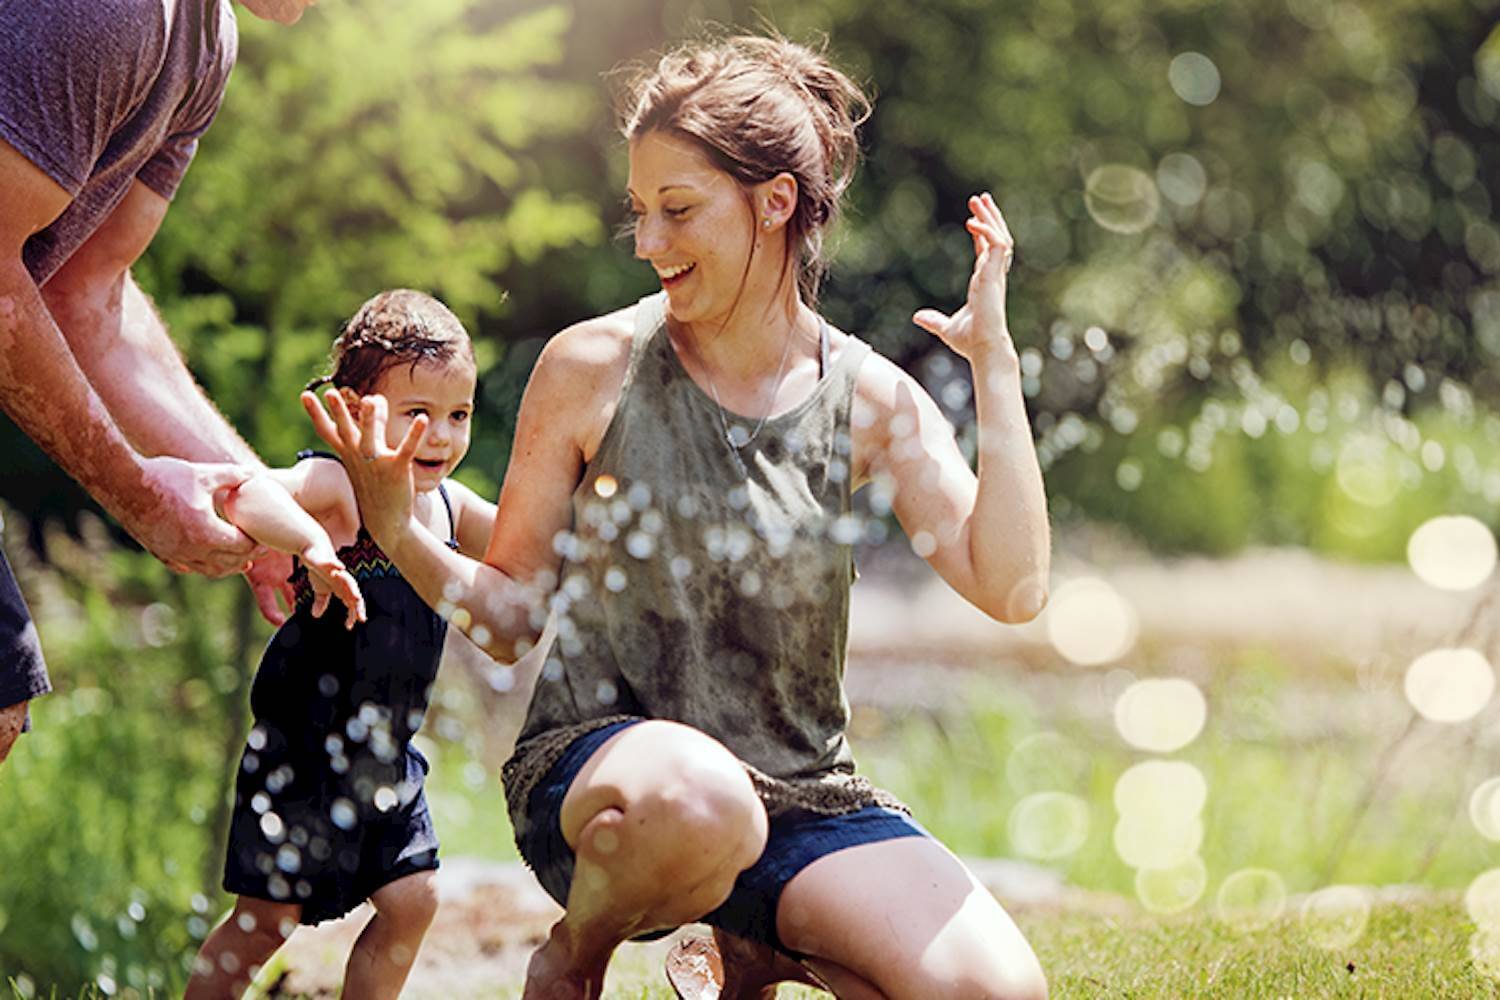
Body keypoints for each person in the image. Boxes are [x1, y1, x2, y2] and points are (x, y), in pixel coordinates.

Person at [307, 34, 1051, 1000]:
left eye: (679, 209)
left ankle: (754, 947)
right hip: (608, 779)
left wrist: (995, 364)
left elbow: (1013, 587)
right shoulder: (591, 368)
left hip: (802, 798)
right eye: (640, 211)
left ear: (774, 203)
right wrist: (400, 526)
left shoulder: (870, 400)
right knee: (703, 802)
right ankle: (576, 957)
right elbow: (511, 619)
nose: (648, 242)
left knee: (996, 993)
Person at [0, 0, 323, 764]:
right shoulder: (108, 14)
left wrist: (262, 501)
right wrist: (138, 495)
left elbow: (88, 296)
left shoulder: (204, 40)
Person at [186, 290, 496, 1000]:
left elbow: (526, 535)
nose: (440, 436)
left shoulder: (450, 508)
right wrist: (311, 543)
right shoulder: (337, 487)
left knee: (414, 898)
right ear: (356, 412)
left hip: (386, 753)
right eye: (417, 413)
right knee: (267, 920)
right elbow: (245, 495)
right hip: (300, 751)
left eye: (459, 415)